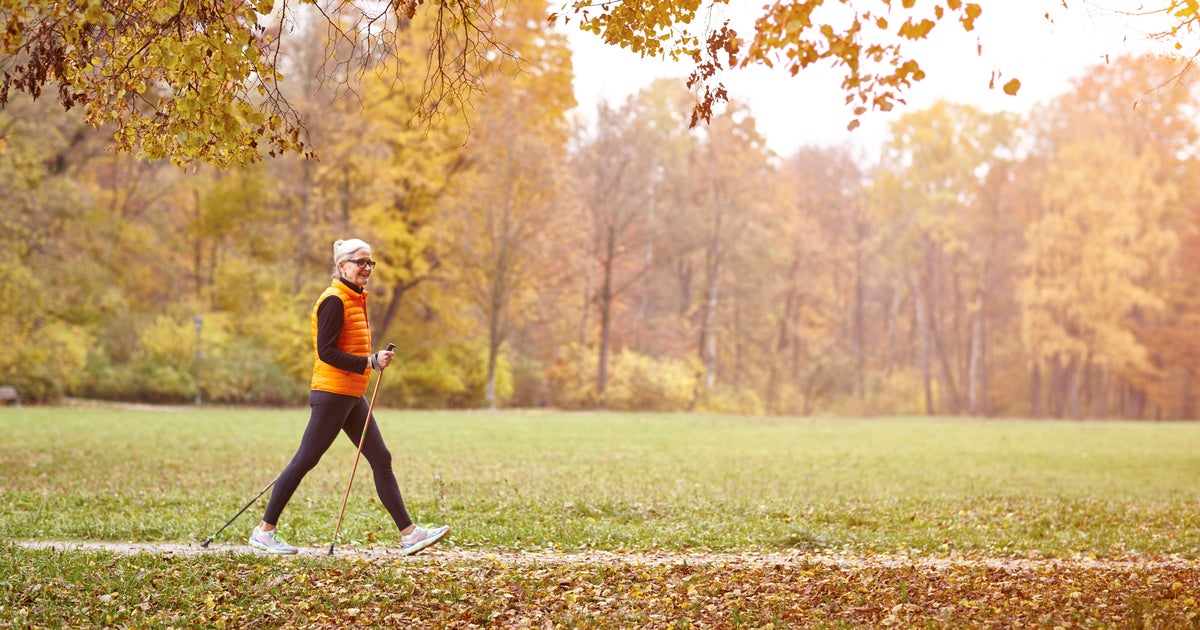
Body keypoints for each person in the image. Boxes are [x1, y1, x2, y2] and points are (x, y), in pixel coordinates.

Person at [249, 238, 449, 555]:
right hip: (332, 394)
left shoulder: (355, 299)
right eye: (360, 262)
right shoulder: (334, 300)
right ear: (342, 265)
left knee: (381, 458)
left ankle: (409, 534)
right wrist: (368, 362)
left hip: (352, 395)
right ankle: (264, 532)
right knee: (306, 459)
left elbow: (349, 348)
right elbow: (326, 353)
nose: (366, 268)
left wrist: (372, 358)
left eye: (370, 262)